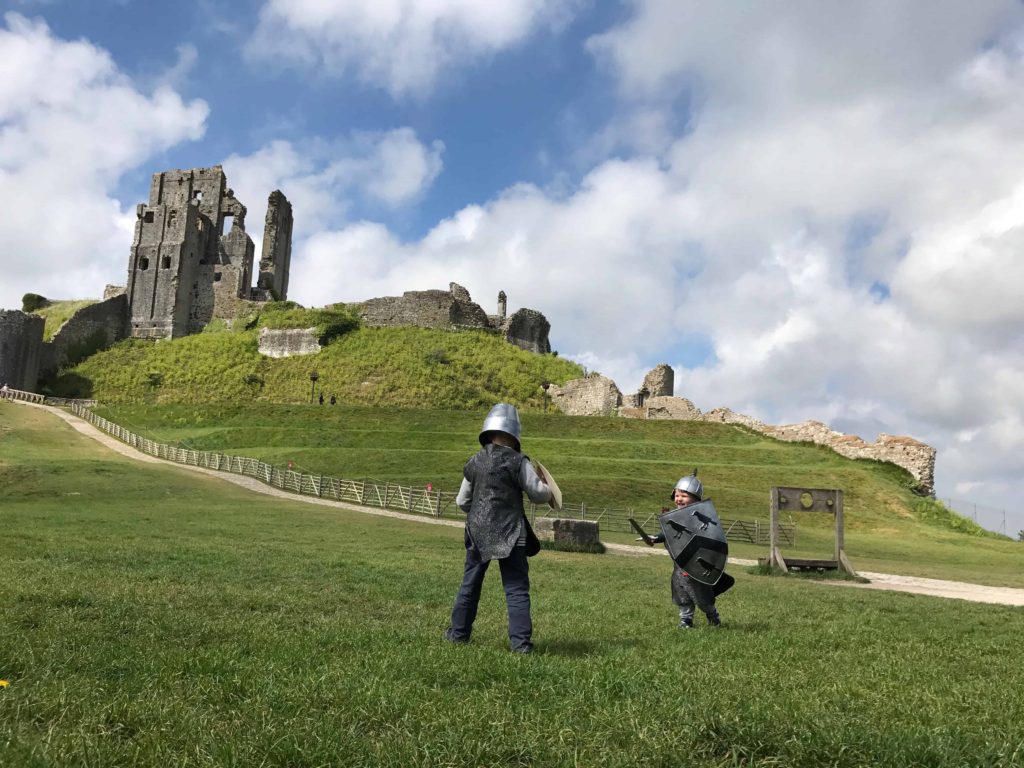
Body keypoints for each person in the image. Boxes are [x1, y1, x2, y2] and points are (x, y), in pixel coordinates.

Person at [444, 403, 551, 654]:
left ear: (488, 432)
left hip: (477, 531)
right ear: (515, 435)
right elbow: (538, 494)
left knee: (470, 583)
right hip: (513, 532)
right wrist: (548, 489)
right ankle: (521, 645)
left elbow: (462, 501)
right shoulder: (518, 461)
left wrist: (480, 513)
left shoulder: (475, 461)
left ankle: (458, 634)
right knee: (515, 589)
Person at [640, 472, 723, 629]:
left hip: (697, 567)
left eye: (684, 496)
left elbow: (711, 538)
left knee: (702, 597)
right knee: (681, 594)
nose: (679, 499)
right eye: (677, 495)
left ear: (696, 498)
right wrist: (655, 538)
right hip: (680, 566)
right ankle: (686, 620)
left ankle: (713, 616)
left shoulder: (701, 516)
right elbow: (668, 534)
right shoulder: (675, 516)